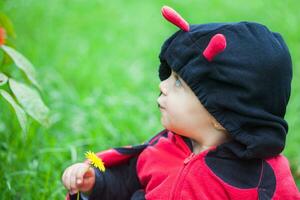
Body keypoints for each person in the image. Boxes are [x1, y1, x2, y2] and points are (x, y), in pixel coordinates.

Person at [62, 6, 300, 200]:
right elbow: (125, 183)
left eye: (178, 83)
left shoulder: (261, 179)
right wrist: (95, 184)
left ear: (222, 115)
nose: (162, 85)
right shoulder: (163, 148)